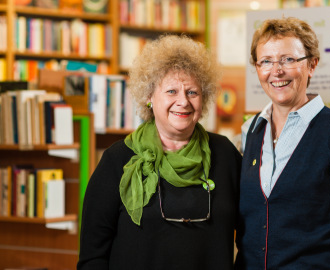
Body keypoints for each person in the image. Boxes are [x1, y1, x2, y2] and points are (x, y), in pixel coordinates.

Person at [77, 35, 242, 269]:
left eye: (192, 92)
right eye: (172, 91)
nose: (183, 101)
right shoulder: (118, 159)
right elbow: (93, 257)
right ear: (149, 97)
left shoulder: (224, 154)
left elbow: (254, 234)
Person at [235, 17, 330, 269]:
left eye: (288, 59)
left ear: (312, 65)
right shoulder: (250, 131)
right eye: (265, 61)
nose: (276, 70)